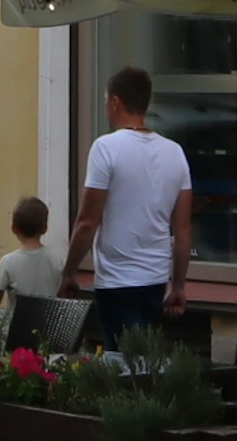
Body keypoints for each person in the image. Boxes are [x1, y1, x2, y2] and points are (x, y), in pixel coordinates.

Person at [64, 65, 191, 347]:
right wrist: (179, 285)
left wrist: (69, 270)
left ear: (115, 102)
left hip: (116, 279)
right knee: (145, 359)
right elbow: (182, 229)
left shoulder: (106, 148)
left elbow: (87, 221)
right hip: (156, 279)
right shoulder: (175, 153)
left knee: (121, 362)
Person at [0, 195, 66, 305]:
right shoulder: (57, 260)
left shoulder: (7, 262)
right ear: (45, 228)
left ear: (14, 229)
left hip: (18, 322)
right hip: (48, 321)